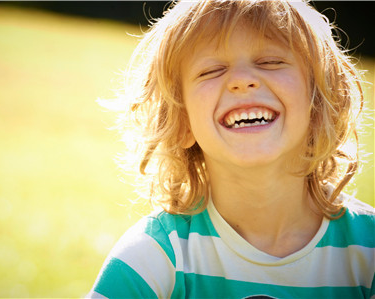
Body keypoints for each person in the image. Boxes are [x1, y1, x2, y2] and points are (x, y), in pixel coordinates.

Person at [88, 0, 374, 298]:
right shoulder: (156, 256)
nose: (241, 80)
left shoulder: (368, 250)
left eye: (270, 62)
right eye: (211, 70)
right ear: (182, 121)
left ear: (319, 102)